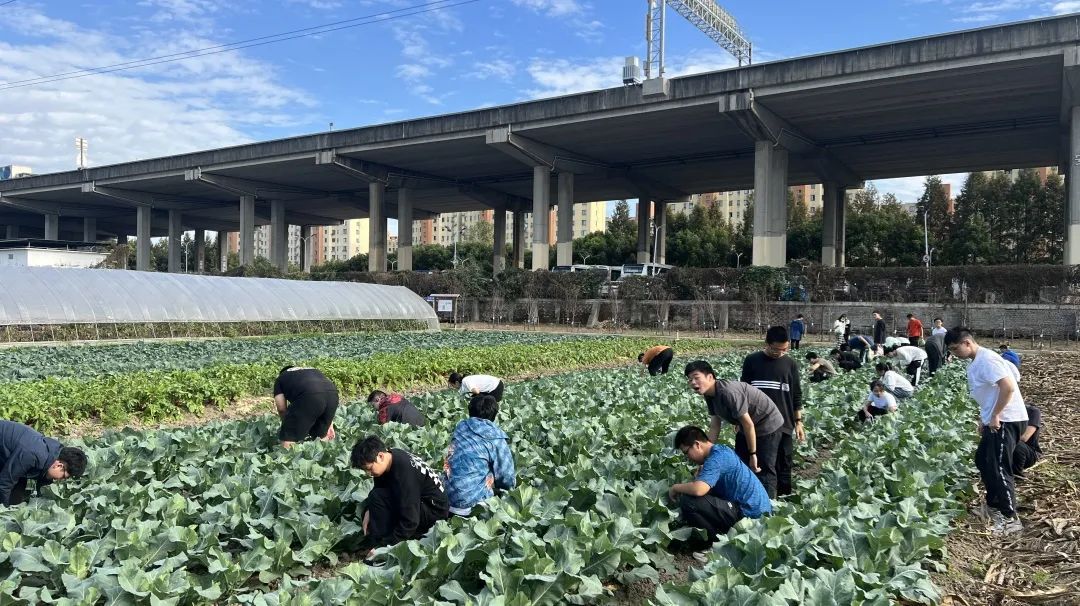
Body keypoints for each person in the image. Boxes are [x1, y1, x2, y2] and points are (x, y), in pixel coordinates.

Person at [944, 327, 1028, 536]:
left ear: (967, 343)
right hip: (995, 420)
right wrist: (985, 418)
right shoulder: (978, 361)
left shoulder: (987, 360)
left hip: (1007, 420)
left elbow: (1008, 387)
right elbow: (991, 393)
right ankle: (993, 505)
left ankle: (1010, 518)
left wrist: (995, 415)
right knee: (983, 460)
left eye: (955, 349)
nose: (955, 354)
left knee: (999, 467)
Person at [685, 361, 785, 498]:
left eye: (696, 377)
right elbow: (715, 426)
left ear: (710, 377)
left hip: (767, 423)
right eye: (690, 379)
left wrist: (753, 453)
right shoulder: (709, 395)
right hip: (746, 427)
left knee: (762, 467)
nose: (693, 382)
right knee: (741, 464)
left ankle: (768, 508)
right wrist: (706, 455)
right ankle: (747, 499)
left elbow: (748, 424)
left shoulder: (728, 392)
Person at [668, 426, 771, 549]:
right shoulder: (720, 451)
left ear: (697, 445)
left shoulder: (716, 458)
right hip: (754, 511)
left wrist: (675, 487)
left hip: (750, 515)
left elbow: (698, 489)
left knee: (689, 501)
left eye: (686, 452)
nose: (687, 457)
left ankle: (714, 545)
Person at [351, 436, 449, 559]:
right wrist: (368, 510)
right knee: (375, 497)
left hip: (433, 514)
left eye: (369, 469)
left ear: (380, 456)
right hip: (421, 504)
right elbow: (378, 490)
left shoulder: (404, 472)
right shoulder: (391, 456)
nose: (369, 474)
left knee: (379, 499)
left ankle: (379, 548)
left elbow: (410, 521)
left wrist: (385, 546)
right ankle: (375, 542)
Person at [741, 326, 804, 497]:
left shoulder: (790, 364)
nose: (781, 352)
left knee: (784, 465)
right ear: (767, 343)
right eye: (777, 349)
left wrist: (798, 422)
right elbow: (743, 392)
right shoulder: (752, 361)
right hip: (756, 424)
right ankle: (760, 502)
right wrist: (740, 419)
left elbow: (796, 394)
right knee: (758, 465)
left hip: (784, 422)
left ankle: (784, 504)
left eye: (785, 349)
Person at [444, 395, 516, 516]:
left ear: (470, 411)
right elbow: (506, 478)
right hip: (473, 506)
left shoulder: (461, 427)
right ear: (494, 415)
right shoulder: (496, 438)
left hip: (446, 499)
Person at [0, 420, 87, 506]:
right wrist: (5, 509)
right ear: (59, 466)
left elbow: (43, 482)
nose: (61, 479)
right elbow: (5, 482)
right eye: (63, 477)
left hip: (9, 453)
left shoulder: (53, 454)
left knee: (16, 495)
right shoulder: (32, 455)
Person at [274, 366, 338, 448]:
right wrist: (329, 423)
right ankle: (322, 458)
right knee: (321, 435)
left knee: (289, 437)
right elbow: (323, 392)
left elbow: (281, 408)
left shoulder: (281, 378)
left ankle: (287, 458)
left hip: (309, 396)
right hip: (333, 394)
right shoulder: (313, 370)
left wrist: (287, 425)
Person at [1013, 405, 1043, 476]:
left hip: (1028, 452)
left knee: (1017, 445)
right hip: (1005, 448)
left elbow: (1024, 437)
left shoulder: (1032, 412)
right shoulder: (1003, 411)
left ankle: (1016, 473)